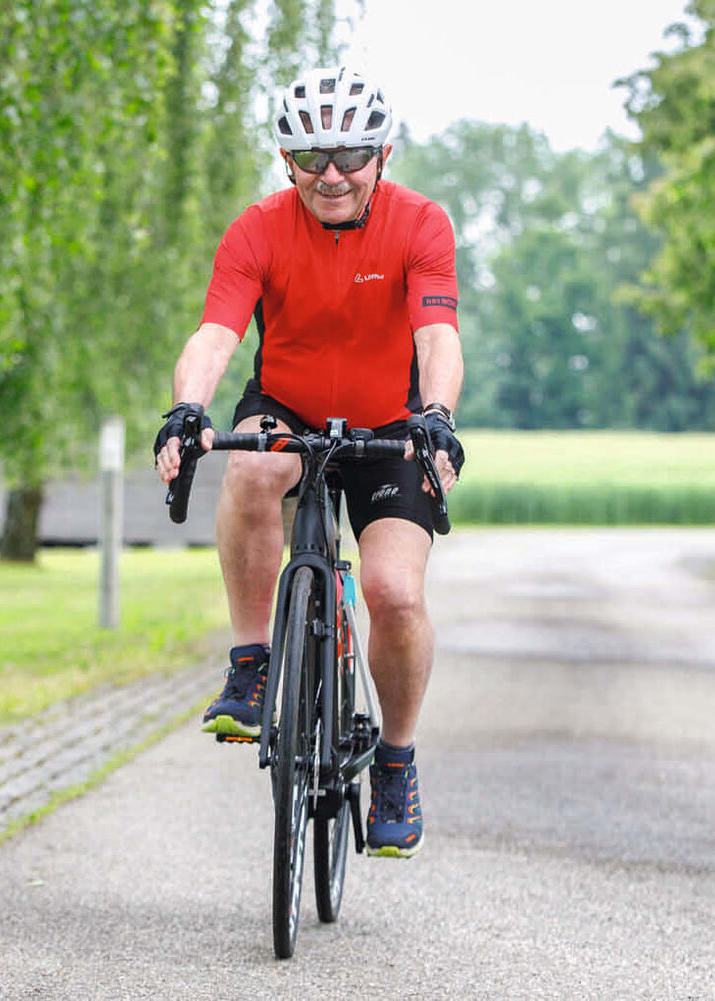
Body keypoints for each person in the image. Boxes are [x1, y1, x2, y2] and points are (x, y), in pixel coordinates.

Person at [153, 66, 463, 859]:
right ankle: (252, 662)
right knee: (252, 468)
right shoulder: (256, 228)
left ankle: (394, 757)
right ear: (286, 158)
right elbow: (217, 333)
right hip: (285, 407)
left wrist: (437, 417)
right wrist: (189, 407)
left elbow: (436, 335)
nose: (332, 174)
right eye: (312, 155)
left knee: (393, 591)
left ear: (382, 154)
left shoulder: (421, 223)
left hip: (390, 422)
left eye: (351, 154)